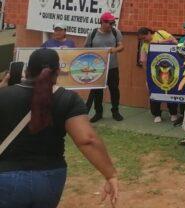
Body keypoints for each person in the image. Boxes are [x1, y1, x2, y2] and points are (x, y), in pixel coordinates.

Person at [0, 49, 119, 207]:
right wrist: (110, 175)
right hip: (49, 177)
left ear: (27, 70)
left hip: (6, 176)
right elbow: (87, 140)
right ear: (58, 72)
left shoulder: (4, 95)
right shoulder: (68, 99)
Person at [85, 12, 124, 123]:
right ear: (102, 22)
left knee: (114, 90)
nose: (111, 25)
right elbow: (86, 48)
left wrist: (114, 49)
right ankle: (98, 113)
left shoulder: (116, 32)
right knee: (97, 91)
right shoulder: (92, 33)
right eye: (109, 23)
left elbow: (121, 46)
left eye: (113, 23)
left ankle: (115, 111)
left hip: (112, 67)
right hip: (96, 69)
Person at [137, 27, 179, 123]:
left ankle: (173, 113)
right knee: (154, 92)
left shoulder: (160, 33)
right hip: (155, 74)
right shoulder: (144, 45)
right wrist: (148, 75)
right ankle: (156, 114)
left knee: (171, 90)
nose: (144, 40)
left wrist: (159, 42)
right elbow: (143, 60)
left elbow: (173, 40)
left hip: (170, 69)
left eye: (144, 38)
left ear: (148, 33)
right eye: (141, 39)